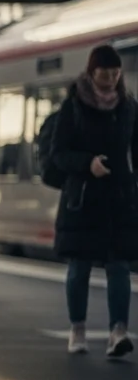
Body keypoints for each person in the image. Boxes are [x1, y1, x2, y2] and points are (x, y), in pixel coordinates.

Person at [49, 45, 136, 358]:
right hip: (82, 199)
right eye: (105, 74)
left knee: (119, 266)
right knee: (79, 267)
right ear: (91, 72)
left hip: (119, 198)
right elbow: (57, 153)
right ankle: (78, 329)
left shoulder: (128, 107)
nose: (111, 79)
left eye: (116, 74)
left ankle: (118, 332)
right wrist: (88, 164)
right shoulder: (73, 108)